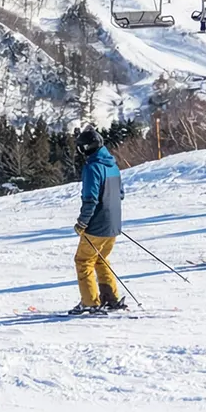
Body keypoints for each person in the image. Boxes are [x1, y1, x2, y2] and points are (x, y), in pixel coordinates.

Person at [71, 127, 126, 314]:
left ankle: (90, 302)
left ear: (86, 148)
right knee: (101, 259)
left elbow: (91, 199)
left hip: (96, 225)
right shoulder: (113, 165)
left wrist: (82, 223)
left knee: (84, 260)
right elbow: (120, 194)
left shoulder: (92, 167)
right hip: (114, 225)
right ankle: (110, 296)